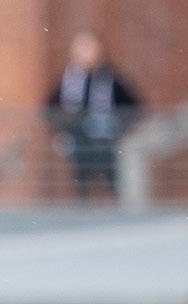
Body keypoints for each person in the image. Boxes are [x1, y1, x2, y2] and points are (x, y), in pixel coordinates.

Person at [48, 31, 142, 201]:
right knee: (81, 178)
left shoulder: (111, 79)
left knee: (112, 178)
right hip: (79, 139)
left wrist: (120, 128)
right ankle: (82, 205)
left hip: (106, 140)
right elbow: (51, 107)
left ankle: (116, 206)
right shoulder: (69, 79)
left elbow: (133, 106)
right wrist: (61, 130)